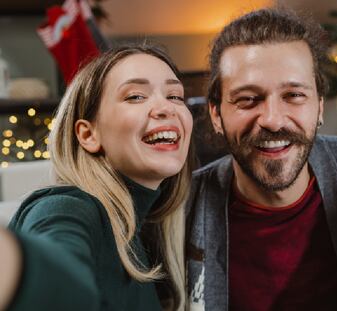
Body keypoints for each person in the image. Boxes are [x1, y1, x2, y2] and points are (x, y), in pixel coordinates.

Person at [185, 8, 337, 311]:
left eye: (293, 95)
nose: (273, 120)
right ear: (216, 115)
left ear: (319, 106)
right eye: (248, 99)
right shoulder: (185, 205)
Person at [0, 44, 194, 311]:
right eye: (136, 96)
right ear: (88, 135)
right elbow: (62, 275)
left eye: (175, 96)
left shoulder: (145, 226)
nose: (165, 108)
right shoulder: (68, 205)